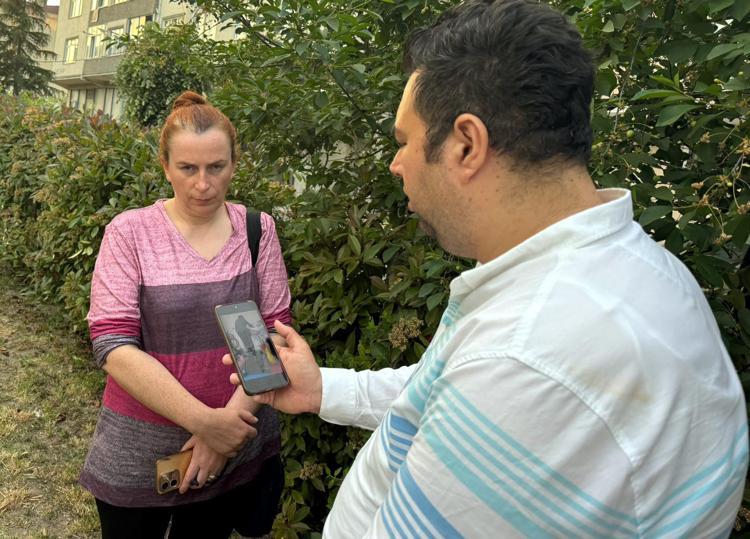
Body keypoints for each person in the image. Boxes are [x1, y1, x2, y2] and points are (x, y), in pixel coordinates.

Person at [225, 1, 748, 537]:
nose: (396, 164)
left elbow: (497, 379)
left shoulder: (527, 355)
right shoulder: (636, 271)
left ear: (466, 145)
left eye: (404, 141)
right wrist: (324, 390)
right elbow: (449, 390)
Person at [81, 91, 292, 538]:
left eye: (216, 167)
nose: (203, 184)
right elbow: (113, 344)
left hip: (235, 443)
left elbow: (274, 334)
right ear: (165, 166)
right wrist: (207, 425)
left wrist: (224, 436)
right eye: (187, 168)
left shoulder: (257, 231)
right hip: (139, 453)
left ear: (234, 163)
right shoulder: (130, 233)